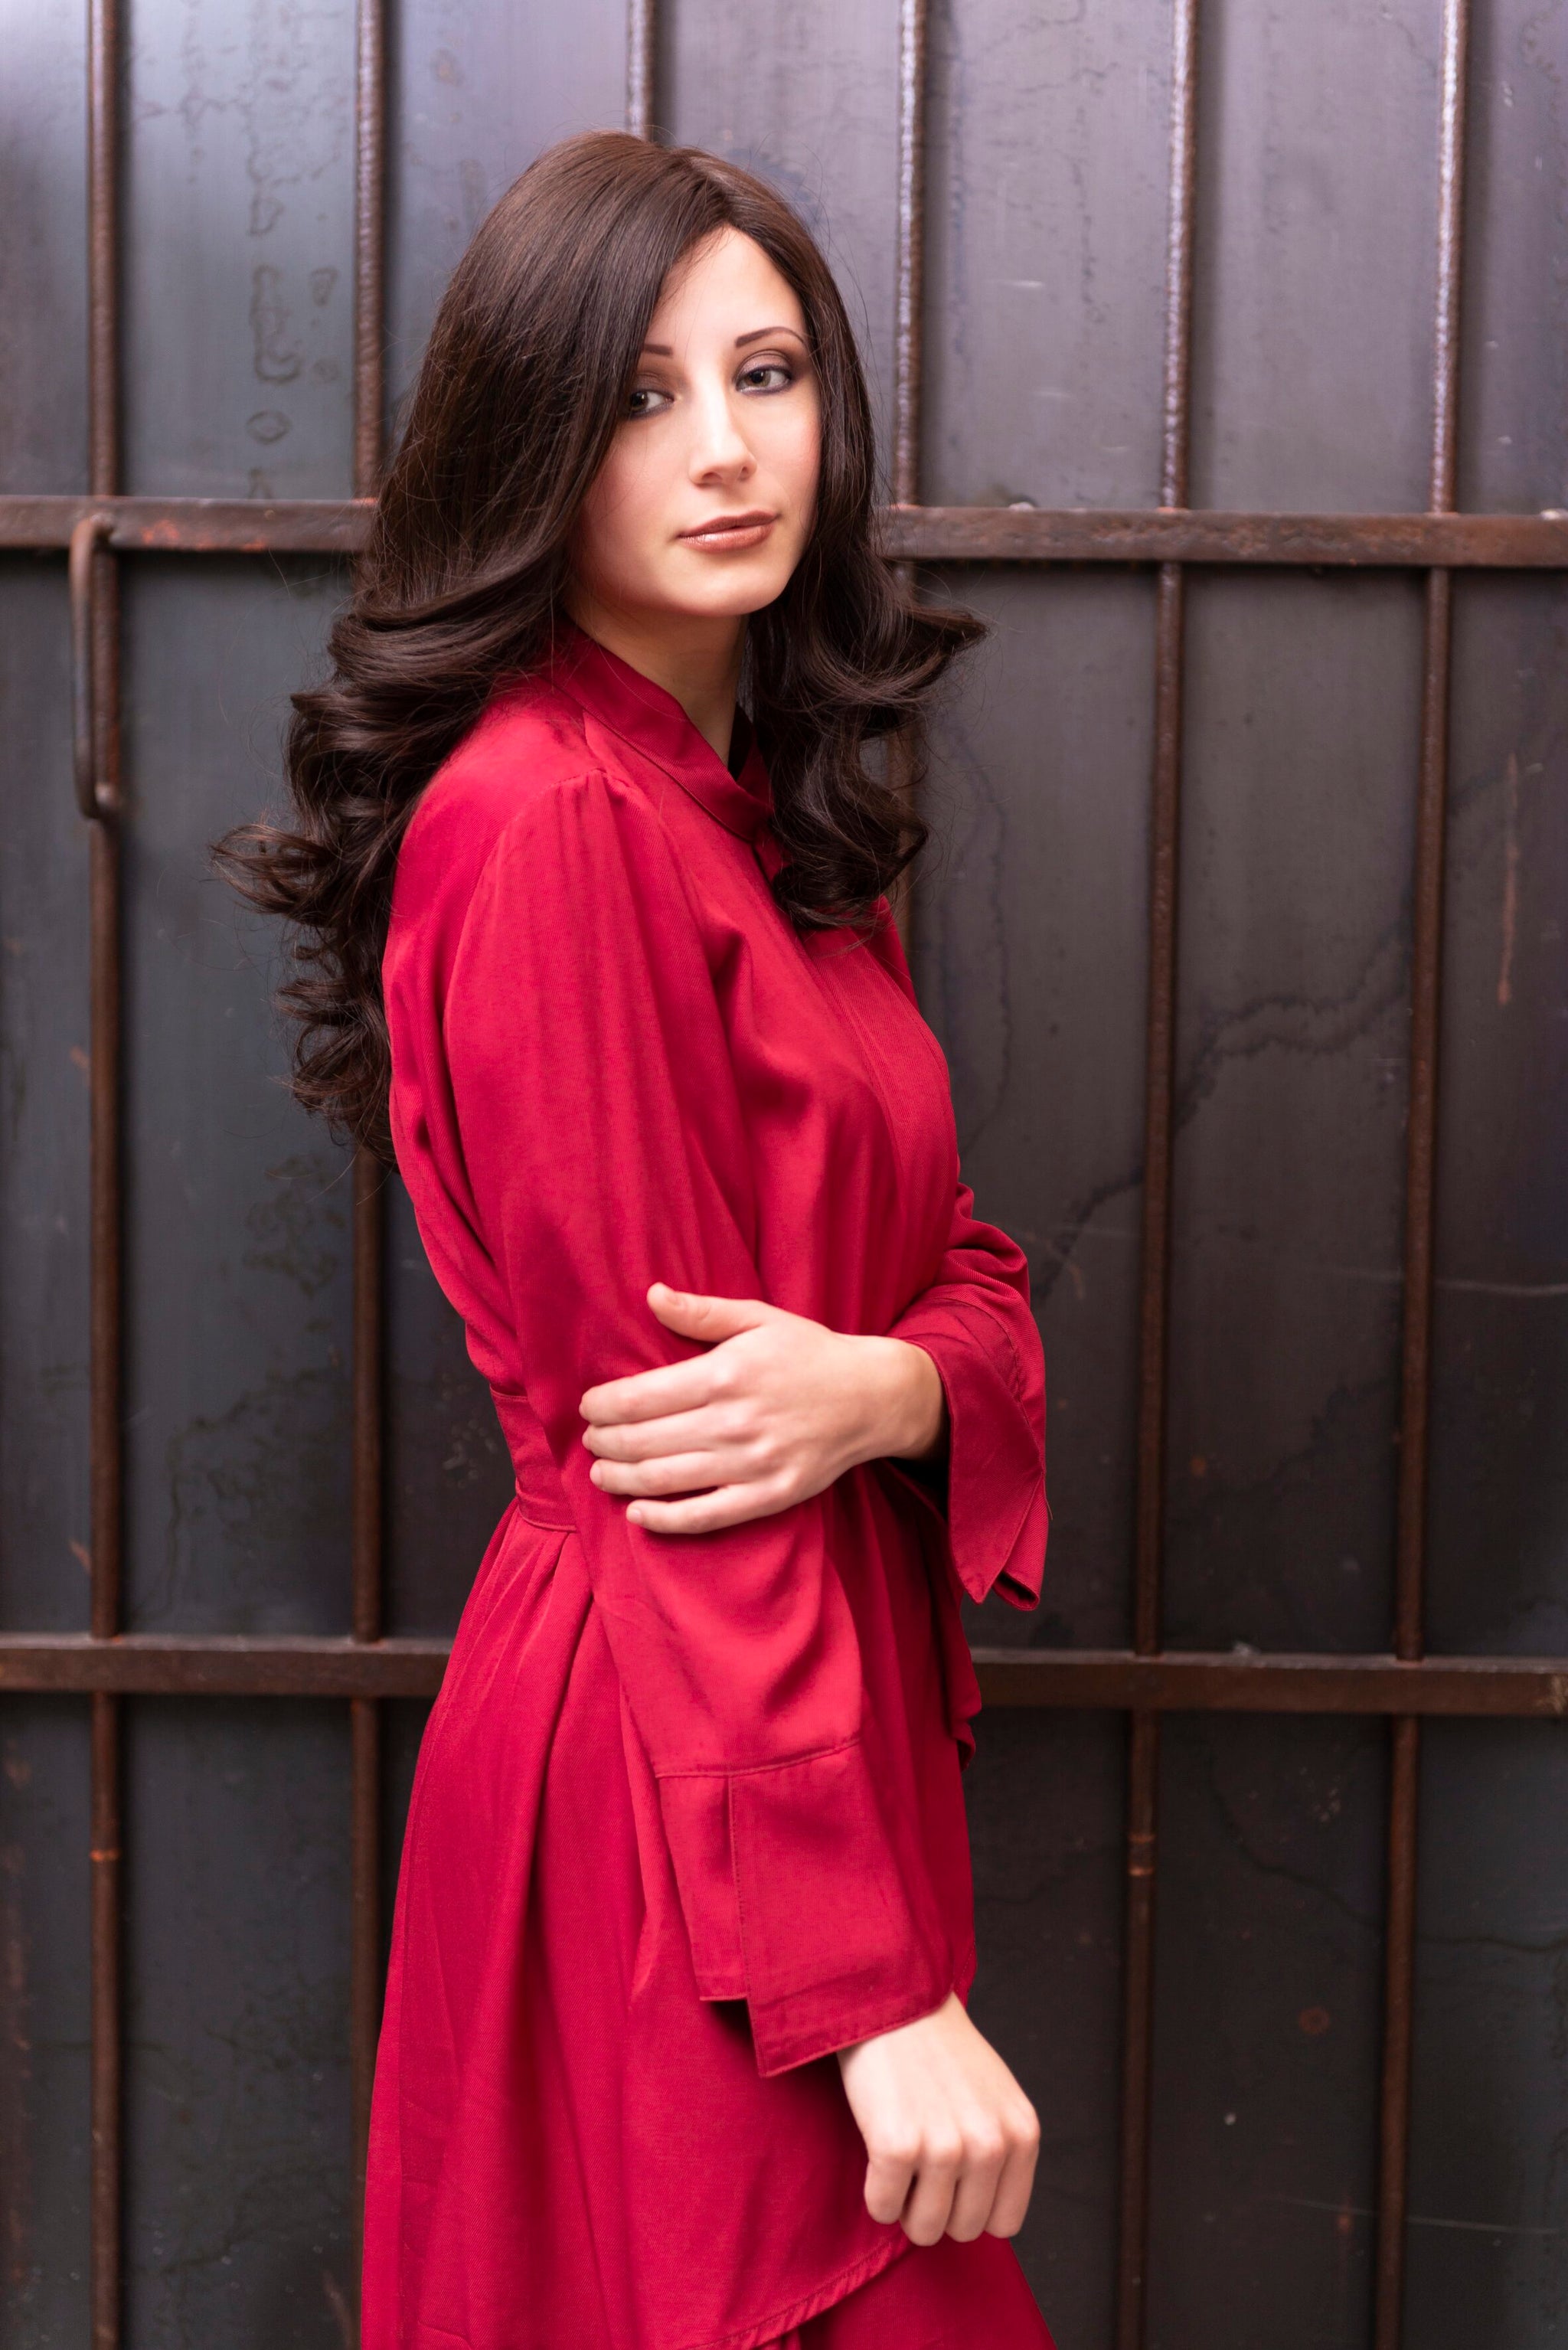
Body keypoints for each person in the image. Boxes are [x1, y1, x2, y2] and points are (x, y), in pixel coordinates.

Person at [217, 129, 1053, 2350]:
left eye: (766, 374)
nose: (725, 450)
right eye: (637, 396)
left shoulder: (766, 818)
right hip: (686, 1780)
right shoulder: (554, 816)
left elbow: (962, 1266)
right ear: (530, 444)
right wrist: (870, 1995)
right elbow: (676, 1462)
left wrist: (891, 1387)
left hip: (778, 1744)